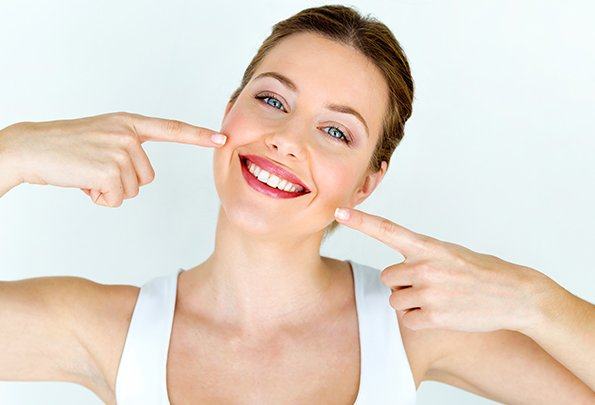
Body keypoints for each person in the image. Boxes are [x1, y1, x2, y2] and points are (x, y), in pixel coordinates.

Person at [1, 4, 593, 405]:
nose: (287, 139)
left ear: (367, 182)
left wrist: (534, 300)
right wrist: (15, 152)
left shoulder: (411, 326)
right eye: (271, 99)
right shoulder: (111, 330)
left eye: (337, 132)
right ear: (229, 110)